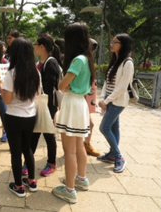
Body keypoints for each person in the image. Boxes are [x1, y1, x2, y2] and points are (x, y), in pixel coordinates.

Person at [53, 23, 96, 204]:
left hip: (71, 103)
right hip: (81, 104)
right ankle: (81, 179)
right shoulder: (87, 58)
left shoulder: (77, 60)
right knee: (78, 145)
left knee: (69, 150)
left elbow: (62, 85)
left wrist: (65, 83)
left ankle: (69, 190)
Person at [1, 37, 40, 197]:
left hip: (14, 117)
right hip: (30, 116)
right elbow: (36, 94)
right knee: (28, 149)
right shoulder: (36, 72)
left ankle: (18, 186)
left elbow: (8, 100)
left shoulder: (11, 74)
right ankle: (31, 181)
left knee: (15, 153)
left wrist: (1, 89)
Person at [26, 34, 62, 178]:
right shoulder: (41, 62)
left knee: (48, 134)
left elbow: (48, 87)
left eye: (35, 44)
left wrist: (45, 107)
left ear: (41, 46)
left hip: (47, 104)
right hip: (40, 103)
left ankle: (52, 163)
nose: (34, 47)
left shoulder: (50, 62)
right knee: (34, 133)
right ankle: (28, 161)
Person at [97, 34, 135, 173]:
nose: (111, 44)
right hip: (109, 100)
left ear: (123, 45)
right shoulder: (115, 61)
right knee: (114, 128)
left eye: (115, 42)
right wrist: (102, 98)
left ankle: (119, 157)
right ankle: (112, 154)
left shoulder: (127, 63)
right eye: (112, 41)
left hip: (118, 101)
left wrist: (106, 101)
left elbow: (122, 87)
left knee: (104, 127)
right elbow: (108, 82)